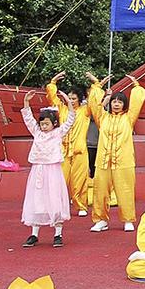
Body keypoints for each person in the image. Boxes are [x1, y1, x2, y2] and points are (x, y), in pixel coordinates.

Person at [88, 74, 145, 232]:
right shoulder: (103, 118)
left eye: (120, 101)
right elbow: (94, 106)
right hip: (103, 161)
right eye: (114, 101)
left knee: (126, 189)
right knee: (100, 190)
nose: (116, 104)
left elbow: (137, 103)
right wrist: (98, 87)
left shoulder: (129, 118)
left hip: (123, 161)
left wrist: (136, 86)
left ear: (124, 104)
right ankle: (100, 219)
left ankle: (128, 219)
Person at [20, 90, 76, 248]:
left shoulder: (58, 133)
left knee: (54, 200)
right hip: (38, 170)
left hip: (53, 171)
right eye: (42, 124)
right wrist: (26, 102)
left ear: (54, 124)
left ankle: (58, 234)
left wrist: (68, 102)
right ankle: (34, 234)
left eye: (46, 124)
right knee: (36, 200)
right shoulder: (37, 133)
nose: (43, 127)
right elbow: (28, 119)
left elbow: (71, 119)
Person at [46, 72, 96, 217]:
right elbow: (52, 98)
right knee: (60, 179)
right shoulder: (62, 109)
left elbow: (94, 101)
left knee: (80, 180)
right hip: (62, 151)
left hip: (80, 151)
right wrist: (53, 82)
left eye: (74, 98)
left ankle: (80, 205)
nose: (72, 100)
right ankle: (58, 206)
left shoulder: (85, 111)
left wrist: (95, 83)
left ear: (80, 99)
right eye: (70, 98)